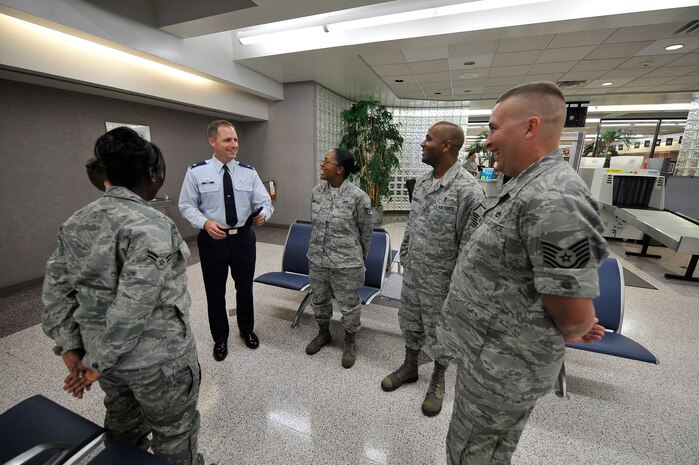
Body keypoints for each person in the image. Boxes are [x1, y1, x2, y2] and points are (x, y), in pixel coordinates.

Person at [438, 82, 609, 464]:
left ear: (530, 127)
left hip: (504, 370)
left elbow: (575, 313)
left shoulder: (555, 197)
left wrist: (578, 322)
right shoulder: (528, 187)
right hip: (489, 359)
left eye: (495, 128)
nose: (487, 141)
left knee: (473, 455)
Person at [42, 127, 206, 465]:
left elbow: (57, 293)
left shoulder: (76, 221)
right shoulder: (151, 225)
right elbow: (134, 306)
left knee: (123, 427)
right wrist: (93, 364)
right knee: (175, 433)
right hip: (159, 363)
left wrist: (74, 352)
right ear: (153, 174)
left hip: (106, 365)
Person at [381, 121, 486, 417]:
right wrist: (404, 256)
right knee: (410, 322)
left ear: (447, 145)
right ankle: (410, 366)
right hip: (414, 273)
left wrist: (459, 290)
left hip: (444, 283)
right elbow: (413, 225)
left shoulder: (469, 191)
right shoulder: (424, 183)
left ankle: (438, 379)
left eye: (428, 139)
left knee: (441, 334)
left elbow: (471, 249)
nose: (422, 144)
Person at [179, 120, 273, 361]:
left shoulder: (248, 172)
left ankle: (246, 330)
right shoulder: (196, 172)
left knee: (245, 287)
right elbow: (186, 206)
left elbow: (264, 201)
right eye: (228, 140)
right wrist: (205, 223)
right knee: (214, 290)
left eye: (236, 140)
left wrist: (263, 213)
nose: (234, 145)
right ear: (213, 142)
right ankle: (220, 338)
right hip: (213, 240)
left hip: (243, 238)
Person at [305, 148, 373, 368]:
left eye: (327, 162)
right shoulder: (317, 192)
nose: (322, 165)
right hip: (318, 259)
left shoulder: (358, 197)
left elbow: (366, 232)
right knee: (319, 299)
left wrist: (359, 259)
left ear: (340, 169)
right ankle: (323, 333)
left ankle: (350, 341)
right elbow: (315, 225)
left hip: (347, 263)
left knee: (349, 305)